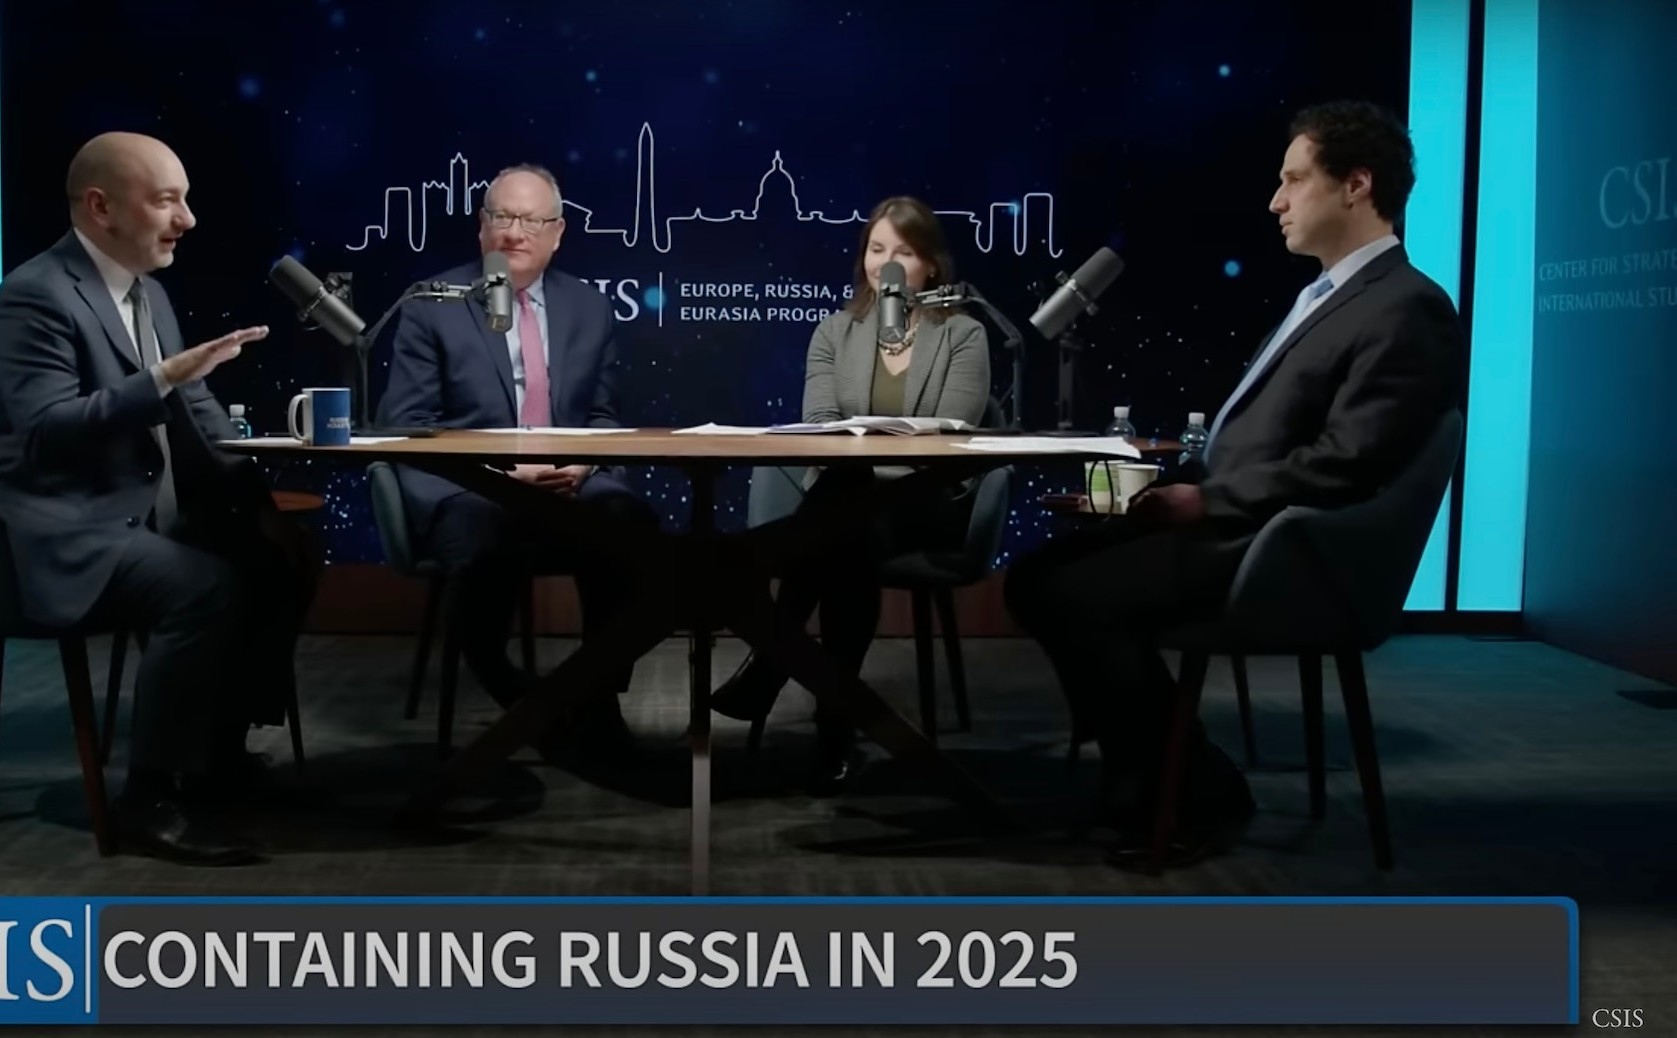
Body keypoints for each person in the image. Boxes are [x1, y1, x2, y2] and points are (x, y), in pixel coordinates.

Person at [1003, 101, 1465, 869]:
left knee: (1071, 592)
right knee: (1041, 575)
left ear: (1356, 185)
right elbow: (1251, 443)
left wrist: (1204, 501)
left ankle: (1192, 787)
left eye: (1293, 180)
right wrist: (1152, 492)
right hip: (1236, 524)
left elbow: (1349, 462)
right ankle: (1152, 774)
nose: (1276, 201)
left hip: (1280, 549)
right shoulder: (1326, 296)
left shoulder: (1406, 306)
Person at [0, 132, 320, 867]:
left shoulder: (147, 292)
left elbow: (200, 417)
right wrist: (159, 380)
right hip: (61, 522)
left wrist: (259, 500)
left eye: (185, 199)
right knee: (203, 588)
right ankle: (149, 798)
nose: (187, 219)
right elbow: (45, 432)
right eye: (167, 200)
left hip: (132, 512)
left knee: (278, 558)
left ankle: (215, 756)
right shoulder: (32, 296)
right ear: (100, 207)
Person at [708, 197, 992, 792]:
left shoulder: (963, 333)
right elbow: (819, 422)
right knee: (846, 536)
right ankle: (833, 728)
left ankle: (773, 660)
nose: (885, 264)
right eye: (876, 249)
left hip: (926, 504)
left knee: (837, 523)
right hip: (850, 508)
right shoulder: (836, 330)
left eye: (903, 253)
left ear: (931, 266)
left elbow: (957, 428)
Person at [375, 164, 657, 755]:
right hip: (474, 490)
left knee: (632, 526)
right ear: (482, 228)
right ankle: (522, 703)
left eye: (530, 220)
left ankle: (597, 701)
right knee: (482, 536)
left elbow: (602, 419)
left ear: (557, 233)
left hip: (567, 484)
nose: (513, 232)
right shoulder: (433, 305)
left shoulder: (588, 308)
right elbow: (406, 426)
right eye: (501, 216)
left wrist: (585, 464)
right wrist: (500, 477)